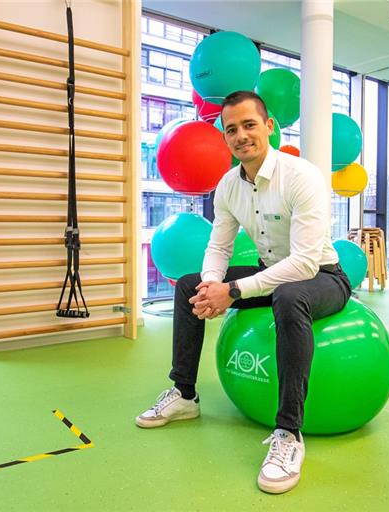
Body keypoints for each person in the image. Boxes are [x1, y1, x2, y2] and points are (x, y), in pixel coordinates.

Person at [135, 91, 352, 494]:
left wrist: (231, 291)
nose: (241, 135)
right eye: (231, 129)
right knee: (187, 286)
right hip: (272, 272)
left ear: (269, 127)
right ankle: (184, 394)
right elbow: (218, 246)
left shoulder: (301, 176)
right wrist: (210, 286)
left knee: (290, 295)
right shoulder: (228, 186)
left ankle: (289, 433)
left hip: (322, 276)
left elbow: (304, 263)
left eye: (249, 125)